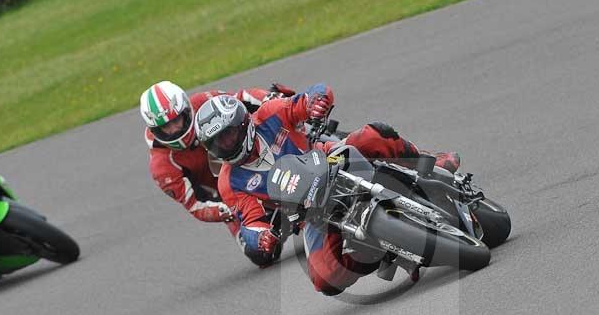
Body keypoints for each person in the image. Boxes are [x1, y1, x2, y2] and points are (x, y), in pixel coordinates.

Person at [193, 84, 461, 293]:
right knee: (324, 279)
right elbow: (250, 222)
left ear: (243, 123)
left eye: (228, 135)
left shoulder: (269, 115)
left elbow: (308, 98)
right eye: (217, 143)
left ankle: (428, 161)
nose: (226, 145)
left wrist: (316, 102)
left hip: (330, 159)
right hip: (309, 211)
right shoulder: (228, 182)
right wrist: (261, 237)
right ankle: (378, 253)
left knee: (372, 135)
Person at [139, 80, 294, 243]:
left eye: (176, 120)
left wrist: (270, 98)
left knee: (286, 109)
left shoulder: (205, 102)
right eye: (166, 127)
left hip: (256, 156)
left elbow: (241, 99)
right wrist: (227, 209)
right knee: (259, 252)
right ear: (155, 130)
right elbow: (196, 205)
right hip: (232, 196)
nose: (174, 130)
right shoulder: (162, 166)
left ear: (186, 110)